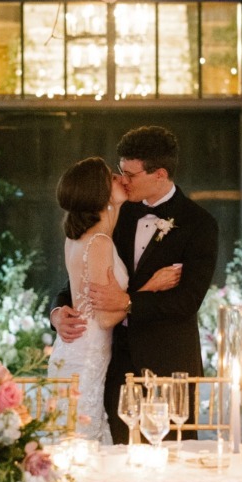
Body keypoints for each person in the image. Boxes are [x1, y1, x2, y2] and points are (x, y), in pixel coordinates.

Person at [51, 127, 219, 443]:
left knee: (173, 464)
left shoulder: (199, 224)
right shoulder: (116, 211)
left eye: (130, 173)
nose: (122, 180)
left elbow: (188, 300)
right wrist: (56, 310)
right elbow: (81, 276)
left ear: (160, 174)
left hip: (170, 367)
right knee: (115, 459)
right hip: (117, 365)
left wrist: (129, 303)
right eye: (119, 171)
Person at [47, 155, 180, 442]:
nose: (120, 179)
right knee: (80, 440)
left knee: (77, 437)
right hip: (86, 356)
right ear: (99, 191)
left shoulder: (80, 236)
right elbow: (105, 316)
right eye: (112, 176)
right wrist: (149, 287)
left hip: (80, 351)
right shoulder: (99, 242)